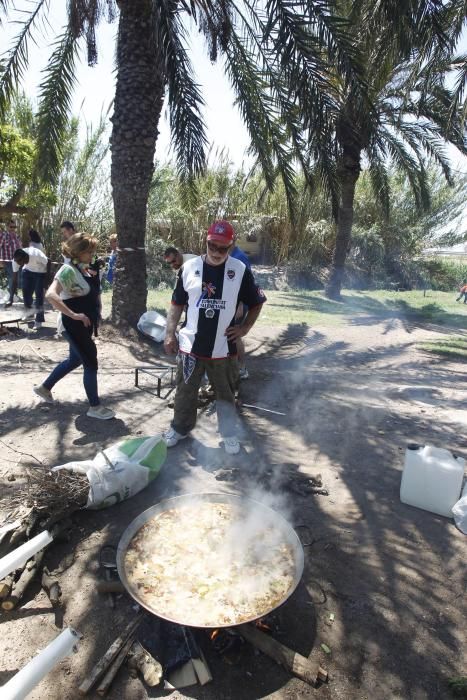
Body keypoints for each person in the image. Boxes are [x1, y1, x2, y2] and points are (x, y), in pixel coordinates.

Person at [163, 220, 266, 455]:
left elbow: (257, 302)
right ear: (206, 241)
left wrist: (245, 328)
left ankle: (229, 435)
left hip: (223, 349)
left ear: (230, 246)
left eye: (223, 248)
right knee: (185, 391)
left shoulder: (239, 270)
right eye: (213, 246)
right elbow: (177, 304)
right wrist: (169, 334)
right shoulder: (188, 269)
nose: (217, 252)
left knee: (226, 393)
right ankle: (179, 429)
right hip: (190, 345)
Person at [33, 232, 115, 420]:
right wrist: (73, 314)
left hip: (82, 324)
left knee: (75, 360)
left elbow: (87, 291)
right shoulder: (67, 270)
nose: (92, 255)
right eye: (89, 252)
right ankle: (94, 407)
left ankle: (44, 388)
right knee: (90, 361)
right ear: (78, 252)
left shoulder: (81, 268)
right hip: (72, 324)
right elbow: (51, 295)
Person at [230, 237, 252, 379]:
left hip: (239, 305)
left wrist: (239, 305)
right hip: (228, 305)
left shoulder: (240, 257)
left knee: (234, 335)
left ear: (233, 240)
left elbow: (245, 285)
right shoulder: (228, 255)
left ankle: (242, 368)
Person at [11, 247, 48, 329]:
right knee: (26, 293)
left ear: (26, 257)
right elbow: (14, 280)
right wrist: (11, 298)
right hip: (27, 272)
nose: (19, 264)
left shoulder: (37, 254)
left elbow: (48, 262)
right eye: (18, 262)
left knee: (39, 296)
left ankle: (39, 320)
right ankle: (29, 314)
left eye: (21, 262)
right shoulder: (16, 260)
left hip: (40, 272)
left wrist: (47, 280)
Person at [0, 220, 22, 303]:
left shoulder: (17, 236)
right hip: (8, 261)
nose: (13, 228)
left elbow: (20, 247)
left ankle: (14, 295)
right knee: (12, 277)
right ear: (7, 227)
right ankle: (11, 296)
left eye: (14, 227)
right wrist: (1, 260)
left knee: (17, 279)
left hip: (17, 261)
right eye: (11, 227)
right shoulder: (3, 235)